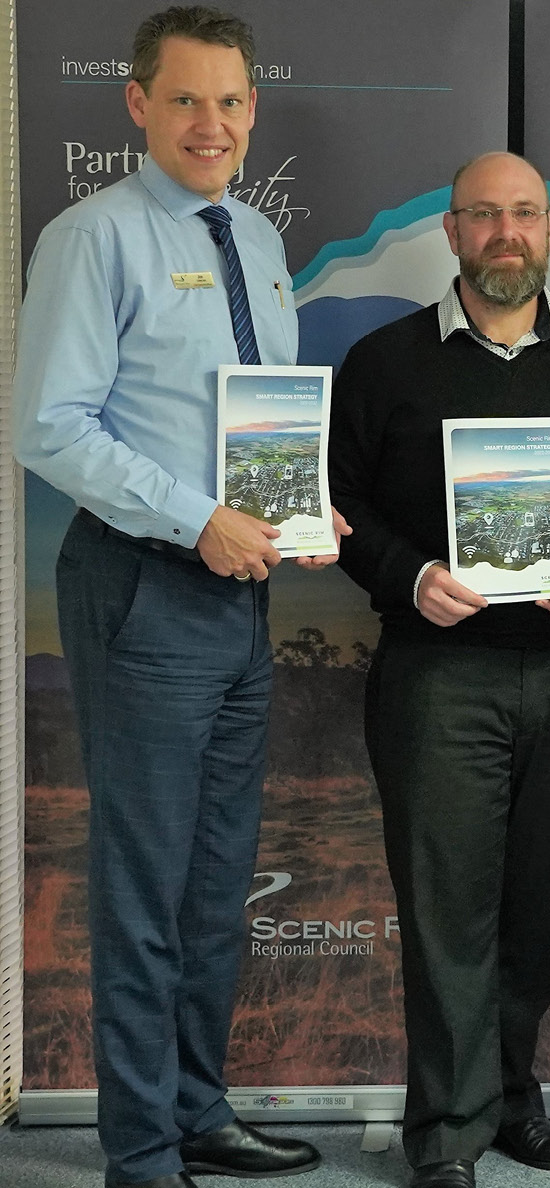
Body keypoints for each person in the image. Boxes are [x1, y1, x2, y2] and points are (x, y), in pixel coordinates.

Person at [13, 8, 342, 1188]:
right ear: (138, 106)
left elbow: (250, 428)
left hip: (240, 597)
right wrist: (197, 519)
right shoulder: (91, 238)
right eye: (188, 99)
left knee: (216, 876)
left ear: (256, 110)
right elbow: (47, 423)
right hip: (144, 587)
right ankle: (141, 1152)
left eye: (233, 101)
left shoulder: (255, 238)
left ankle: (200, 1110)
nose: (213, 123)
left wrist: (294, 514)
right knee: (147, 883)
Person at [328, 151, 550, 1188]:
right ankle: (448, 1132)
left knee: (537, 901)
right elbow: (337, 506)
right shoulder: (382, 363)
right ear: (451, 233)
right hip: (435, 675)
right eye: (485, 216)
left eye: (527, 215)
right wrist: (408, 574)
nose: (508, 234)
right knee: (449, 906)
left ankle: (512, 1102)